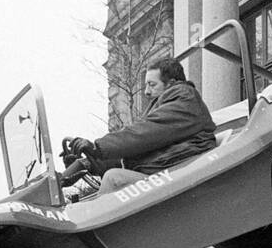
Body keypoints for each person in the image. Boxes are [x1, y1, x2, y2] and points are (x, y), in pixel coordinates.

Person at [67, 58, 217, 200]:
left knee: (114, 179)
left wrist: (97, 147)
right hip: (170, 175)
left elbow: (142, 134)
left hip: (180, 180)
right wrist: (89, 163)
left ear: (171, 83)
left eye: (152, 84)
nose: (146, 92)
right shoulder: (167, 106)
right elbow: (136, 154)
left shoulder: (184, 100)